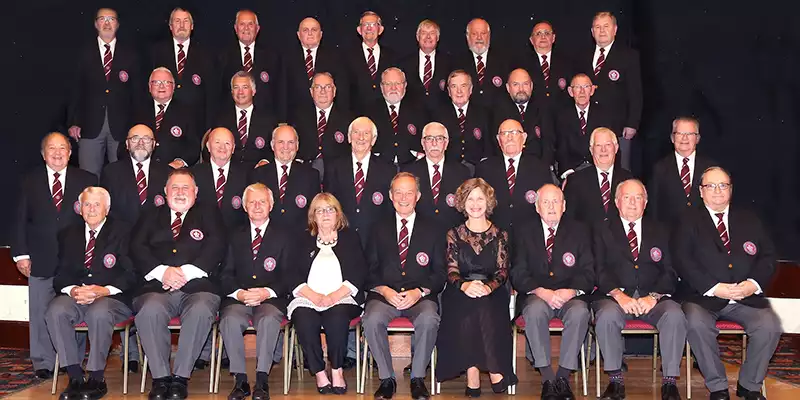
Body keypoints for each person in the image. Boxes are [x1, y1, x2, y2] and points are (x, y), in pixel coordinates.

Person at [673, 167, 781, 400]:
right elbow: (682, 260)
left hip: (746, 298)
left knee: (769, 325)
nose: (718, 191)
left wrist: (753, 283)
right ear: (701, 192)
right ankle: (718, 386)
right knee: (696, 323)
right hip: (702, 298)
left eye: (723, 185)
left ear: (731, 190)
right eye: (711, 186)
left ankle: (749, 385)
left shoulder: (750, 219)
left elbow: (768, 256)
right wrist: (714, 287)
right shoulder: (686, 220)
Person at [131, 169, 226, 400]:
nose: (180, 192)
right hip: (157, 287)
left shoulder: (209, 214)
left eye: (186, 188)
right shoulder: (149, 215)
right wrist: (162, 272)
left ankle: (181, 378)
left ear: (196, 192)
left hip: (198, 287)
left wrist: (184, 272)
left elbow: (217, 245)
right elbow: (136, 246)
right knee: (149, 311)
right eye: (175, 187)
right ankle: (161, 378)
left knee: (201, 310)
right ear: (165, 191)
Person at [12, 132, 98, 379]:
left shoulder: (87, 179)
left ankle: (71, 361)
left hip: (76, 261)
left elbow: (96, 218)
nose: (58, 153)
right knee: (40, 312)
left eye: (63, 148)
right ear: (43, 154)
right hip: (40, 258)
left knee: (73, 311)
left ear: (71, 153)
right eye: (52, 148)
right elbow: (20, 220)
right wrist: (21, 255)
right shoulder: (30, 180)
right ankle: (43, 362)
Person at [592, 179, 685, 400]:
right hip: (615, 297)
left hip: (653, 297)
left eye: (638, 197)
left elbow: (671, 269)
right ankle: (615, 381)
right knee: (605, 316)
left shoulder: (662, 230)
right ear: (616, 202)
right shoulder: (602, 229)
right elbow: (598, 269)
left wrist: (654, 297)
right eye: (627, 197)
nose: (632, 203)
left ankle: (670, 383)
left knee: (675, 315)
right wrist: (618, 294)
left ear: (646, 202)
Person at [45, 187, 136, 400]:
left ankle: (96, 378)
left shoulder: (124, 231)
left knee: (99, 313)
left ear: (107, 208)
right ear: (80, 209)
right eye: (87, 204)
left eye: (97, 204)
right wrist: (74, 290)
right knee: (55, 310)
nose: (92, 209)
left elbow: (133, 273)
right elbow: (60, 274)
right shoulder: (68, 233)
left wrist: (103, 290)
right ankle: (75, 377)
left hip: (112, 297)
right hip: (78, 296)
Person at [363, 172, 445, 400]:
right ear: (390, 195)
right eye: (398, 192)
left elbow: (440, 272)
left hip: (419, 296)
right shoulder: (377, 228)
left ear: (418, 196)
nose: (403, 197)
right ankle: (387, 378)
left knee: (429, 318)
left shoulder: (434, 229)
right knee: (371, 319)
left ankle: (417, 378)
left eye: (409, 192)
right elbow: (367, 270)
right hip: (384, 295)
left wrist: (419, 292)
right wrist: (384, 290)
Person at [510, 184, 593, 400]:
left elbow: (588, 271)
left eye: (556, 201)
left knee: (580, 312)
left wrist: (572, 290)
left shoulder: (580, 230)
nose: (551, 206)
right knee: (535, 311)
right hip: (537, 295)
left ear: (564, 206)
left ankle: (563, 377)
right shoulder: (523, 231)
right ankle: (547, 377)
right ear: (537, 207)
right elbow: (517, 272)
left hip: (569, 296)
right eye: (545, 202)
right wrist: (541, 291)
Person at [437, 178, 517, 397]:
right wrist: (465, 286)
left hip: (492, 289)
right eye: (470, 198)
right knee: (468, 307)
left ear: (488, 202)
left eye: (480, 198)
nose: (475, 203)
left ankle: (484, 370)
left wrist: (488, 288)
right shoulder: (453, 234)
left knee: (483, 306)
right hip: (460, 289)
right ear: (463, 203)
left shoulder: (500, 234)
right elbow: (451, 270)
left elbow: (502, 271)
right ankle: (485, 371)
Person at [219, 184, 292, 400]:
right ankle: (241, 381)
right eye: (252, 202)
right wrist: (239, 293)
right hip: (239, 299)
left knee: (268, 320)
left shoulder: (285, 236)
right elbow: (224, 274)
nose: (257, 206)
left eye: (262, 201)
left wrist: (266, 292)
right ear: (244, 206)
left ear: (271, 204)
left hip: (271, 299)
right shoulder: (234, 235)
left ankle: (262, 380)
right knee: (229, 319)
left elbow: (290, 276)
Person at [288, 193, 367, 394]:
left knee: (336, 318)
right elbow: (291, 272)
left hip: (342, 297)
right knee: (304, 319)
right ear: (312, 216)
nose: (325, 214)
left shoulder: (350, 237)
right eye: (319, 210)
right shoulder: (301, 238)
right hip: (308, 297)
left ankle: (337, 370)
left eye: (330, 209)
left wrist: (333, 297)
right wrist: (313, 296)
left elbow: (359, 272)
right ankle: (319, 373)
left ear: (338, 214)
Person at [67, 8, 140, 176]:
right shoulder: (83, 53)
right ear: (96, 24)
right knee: (88, 176)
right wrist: (73, 121)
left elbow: (137, 94)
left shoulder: (131, 55)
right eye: (102, 19)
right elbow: (75, 90)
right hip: (89, 125)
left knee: (122, 176)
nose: (107, 23)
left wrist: (137, 125)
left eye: (111, 19)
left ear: (118, 24)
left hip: (123, 127)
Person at [581, 11, 642, 171]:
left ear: (615, 29)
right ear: (592, 32)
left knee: (620, 171)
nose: (602, 31)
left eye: (606, 26)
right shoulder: (582, 56)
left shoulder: (628, 56)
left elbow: (635, 92)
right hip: (589, 125)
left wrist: (632, 123)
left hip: (618, 126)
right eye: (597, 27)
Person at [323, 117, 395, 248]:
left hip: (376, 241)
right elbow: (329, 203)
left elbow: (390, 210)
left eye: (366, 133)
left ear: (373, 140)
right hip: (342, 238)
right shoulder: (334, 166)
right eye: (356, 132)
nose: (361, 138)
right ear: (349, 137)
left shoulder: (388, 169)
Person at [475, 119, 551, 232]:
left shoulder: (540, 167)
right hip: (494, 234)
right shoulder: (484, 168)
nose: (509, 137)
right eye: (504, 134)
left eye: (515, 133)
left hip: (529, 235)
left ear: (524, 137)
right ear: (498, 140)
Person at [150, 7, 216, 130]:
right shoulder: (156, 52)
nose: (181, 25)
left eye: (185, 21)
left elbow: (211, 94)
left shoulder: (206, 54)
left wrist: (209, 128)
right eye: (177, 21)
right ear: (170, 26)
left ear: (192, 26)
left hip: (196, 123)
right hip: (163, 121)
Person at [401, 122, 471, 234]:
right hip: (419, 235)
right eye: (429, 139)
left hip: (453, 237)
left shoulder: (462, 172)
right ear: (423, 143)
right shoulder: (409, 172)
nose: (434, 143)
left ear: (446, 143)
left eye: (439, 138)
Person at [251, 125, 321, 235]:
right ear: (272, 145)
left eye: (291, 142)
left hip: (300, 239)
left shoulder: (311, 175)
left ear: (297, 146)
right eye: (281, 142)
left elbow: (315, 212)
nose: (286, 147)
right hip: (267, 239)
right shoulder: (258, 174)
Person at [647, 117, 716, 224]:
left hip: (703, 234)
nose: (684, 138)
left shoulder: (710, 168)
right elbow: (653, 208)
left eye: (689, 134)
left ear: (697, 138)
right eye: (679, 133)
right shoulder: (659, 168)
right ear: (672, 138)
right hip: (669, 235)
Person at [101, 124, 170, 227]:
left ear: (154, 144)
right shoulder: (111, 172)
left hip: (155, 236)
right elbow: (106, 209)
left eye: (146, 139)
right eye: (135, 138)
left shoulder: (168, 173)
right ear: (127, 144)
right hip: (121, 235)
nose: (140, 143)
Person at [219, 10, 282, 119]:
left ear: (257, 29)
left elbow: (279, 92)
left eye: (250, 24)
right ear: (235, 28)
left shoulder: (272, 57)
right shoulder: (222, 57)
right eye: (242, 24)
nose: (246, 28)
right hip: (232, 120)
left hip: (264, 120)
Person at [132, 67, 200, 168]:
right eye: (156, 82)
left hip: (174, 171)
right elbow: (125, 145)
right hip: (143, 167)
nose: (161, 86)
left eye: (166, 82)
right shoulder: (137, 110)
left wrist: (180, 162)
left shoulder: (187, 112)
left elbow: (194, 146)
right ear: (149, 87)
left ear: (173, 87)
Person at [290, 72, 354, 177]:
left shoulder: (348, 118)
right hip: (304, 174)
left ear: (334, 91)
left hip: (337, 175)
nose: (323, 91)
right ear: (311, 92)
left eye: (327, 87)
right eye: (318, 87)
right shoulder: (298, 117)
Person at [563, 127, 633, 224]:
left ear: (616, 148)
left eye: (608, 145)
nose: (603, 150)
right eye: (598, 145)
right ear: (591, 150)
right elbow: (568, 221)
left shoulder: (629, 180)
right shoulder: (575, 181)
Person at [554, 73, 618, 179]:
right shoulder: (561, 116)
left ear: (592, 90)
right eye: (578, 87)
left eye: (586, 87)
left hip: (598, 167)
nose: (582, 91)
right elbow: (560, 148)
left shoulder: (604, 114)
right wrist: (567, 173)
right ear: (570, 91)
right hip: (571, 169)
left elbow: (611, 146)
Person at [282, 17, 349, 115]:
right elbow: (283, 91)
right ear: (298, 35)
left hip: (327, 115)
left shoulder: (335, 58)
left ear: (321, 34)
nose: (310, 33)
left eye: (314, 30)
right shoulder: (287, 58)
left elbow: (342, 90)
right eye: (305, 30)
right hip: (295, 117)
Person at [212, 71, 279, 169]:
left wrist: (265, 161)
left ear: (253, 91)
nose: (240, 92)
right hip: (229, 172)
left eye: (245, 87)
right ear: (231, 92)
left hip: (259, 171)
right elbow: (209, 148)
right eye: (236, 88)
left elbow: (276, 147)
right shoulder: (220, 118)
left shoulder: (268, 119)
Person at [491, 68, 555, 166]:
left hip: (538, 164)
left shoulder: (543, 106)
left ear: (531, 86)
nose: (521, 89)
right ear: (508, 88)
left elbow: (548, 142)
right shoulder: (498, 109)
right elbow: (496, 145)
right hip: (507, 165)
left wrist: (543, 167)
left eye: (525, 84)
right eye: (516, 84)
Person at [368, 67, 429, 165]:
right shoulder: (369, 111)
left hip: (412, 166)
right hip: (379, 166)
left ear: (405, 85)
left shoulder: (419, 109)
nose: (393, 88)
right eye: (388, 84)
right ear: (381, 86)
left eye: (397, 84)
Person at [432, 69, 491, 171]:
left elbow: (489, 146)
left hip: (477, 169)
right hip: (448, 169)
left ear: (471, 89)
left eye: (463, 86)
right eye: (454, 86)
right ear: (449, 91)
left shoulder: (484, 114)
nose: (459, 91)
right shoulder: (438, 115)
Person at [191, 127, 249, 229]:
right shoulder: (193, 175)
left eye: (227, 143)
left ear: (233, 148)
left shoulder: (247, 175)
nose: (222, 147)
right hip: (202, 237)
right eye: (217, 142)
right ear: (208, 146)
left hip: (235, 238)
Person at [345, 11, 397, 113]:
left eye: (373, 24)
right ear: (359, 30)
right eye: (365, 25)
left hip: (384, 115)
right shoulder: (346, 56)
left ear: (380, 30)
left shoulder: (392, 56)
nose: (369, 28)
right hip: (356, 115)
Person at [520, 21, 574, 115]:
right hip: (533, 115)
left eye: (547, 33)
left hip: (562, 116)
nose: (543, 37)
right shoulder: (521, 64)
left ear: (553, 38)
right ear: (531, 40)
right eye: (538, 34)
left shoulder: (567, 63)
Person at [453, 19, 510, 108]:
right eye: (474, 34)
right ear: (467, 37)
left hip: (498, 116)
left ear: (489, 36)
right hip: (469, 117)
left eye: (483, 33)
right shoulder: (456, 62)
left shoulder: (504, 61)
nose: (479, 38)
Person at [400, 19, 452, 113]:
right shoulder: (404, 63)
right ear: (417, 37)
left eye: (432, 33)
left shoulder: (449, 62)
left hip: (441, 117)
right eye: (424, 33)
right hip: (413, 117)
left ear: (438, 37)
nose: (428, 37)